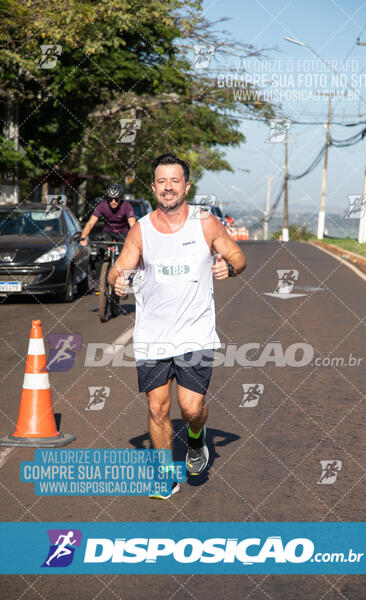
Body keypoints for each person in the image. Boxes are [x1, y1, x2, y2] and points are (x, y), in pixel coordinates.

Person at [108, 154, 246, 499]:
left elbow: (238, 257)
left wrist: (230, 268)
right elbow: (120, 266)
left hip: (194, 333)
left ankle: (197, 441)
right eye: (161, 181)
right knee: (157, 407)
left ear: (186, 185)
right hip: (153, 336)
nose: (168, 187)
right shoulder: (141, 228)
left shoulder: (206, 223)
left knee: (191, 409)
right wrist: (117, 280)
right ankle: (166, 477)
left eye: (175, 181)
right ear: (154, 187)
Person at [80, 183, 136, 285]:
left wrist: (135, 239)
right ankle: (99, 282)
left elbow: (133, 224)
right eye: (110, 199)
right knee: (99, 253)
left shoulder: (126, 206)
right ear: (107, 198)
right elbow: (91, 222)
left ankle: (125, 281)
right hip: (108, 232)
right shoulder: (102, 206)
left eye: (116, 199)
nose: (113, 202)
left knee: (126, 256)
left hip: (122, 233)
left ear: (120, 198)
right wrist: (83, 237)